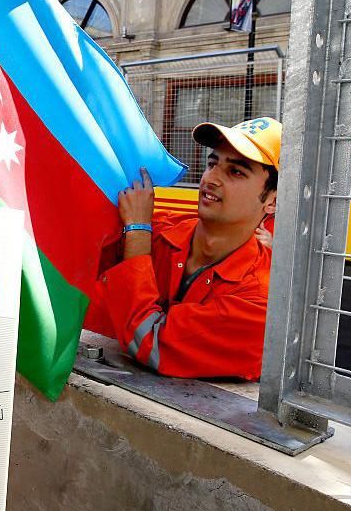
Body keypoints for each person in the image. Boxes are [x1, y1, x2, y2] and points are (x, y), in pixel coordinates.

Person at [85, 117, 282, 381]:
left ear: (273, 201)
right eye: (213, 163)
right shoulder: (162, 230)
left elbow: (152, 343)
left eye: (236, 171)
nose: (211, 178)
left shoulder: (260, 302)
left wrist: (137, 231)